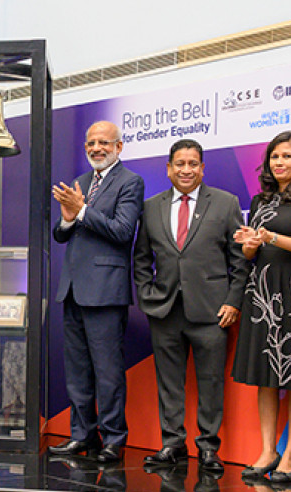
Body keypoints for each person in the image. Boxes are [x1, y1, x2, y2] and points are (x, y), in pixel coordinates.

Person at [132, 139, 249, 473]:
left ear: (202, 168)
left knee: (211, 381)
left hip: (212, 312)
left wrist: (232, 301)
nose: (186, 170)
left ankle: (209, 448)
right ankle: (172, 444)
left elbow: (238, 260)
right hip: (165, 310)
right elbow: (141, 258)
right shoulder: (151, 206)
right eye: (180, 164)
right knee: (169, 381)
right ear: (169, 168)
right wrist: (146, 293)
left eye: (193, 164)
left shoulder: (225, 203)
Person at [47, 121, 144, 463]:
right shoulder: (81, 182)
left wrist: (83, 211)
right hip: (72, 289)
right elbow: (61, 235)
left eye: (104, 142)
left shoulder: (130, 182)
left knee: (108, 372)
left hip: (106, 292)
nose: (96, 148)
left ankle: (114, 439)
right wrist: (68, 219)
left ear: (119, 147)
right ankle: (82, 436)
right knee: (77, 372)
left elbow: (121, 231)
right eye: (91, 143)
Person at [231, 131, 291, 484]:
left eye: (287, 156)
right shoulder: (259, 200)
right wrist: (250, 244)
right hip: (261, 293)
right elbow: (250, 254)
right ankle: (268, 450)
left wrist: (271, 237)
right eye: (274, 157)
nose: (279, 163)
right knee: (265, 378)